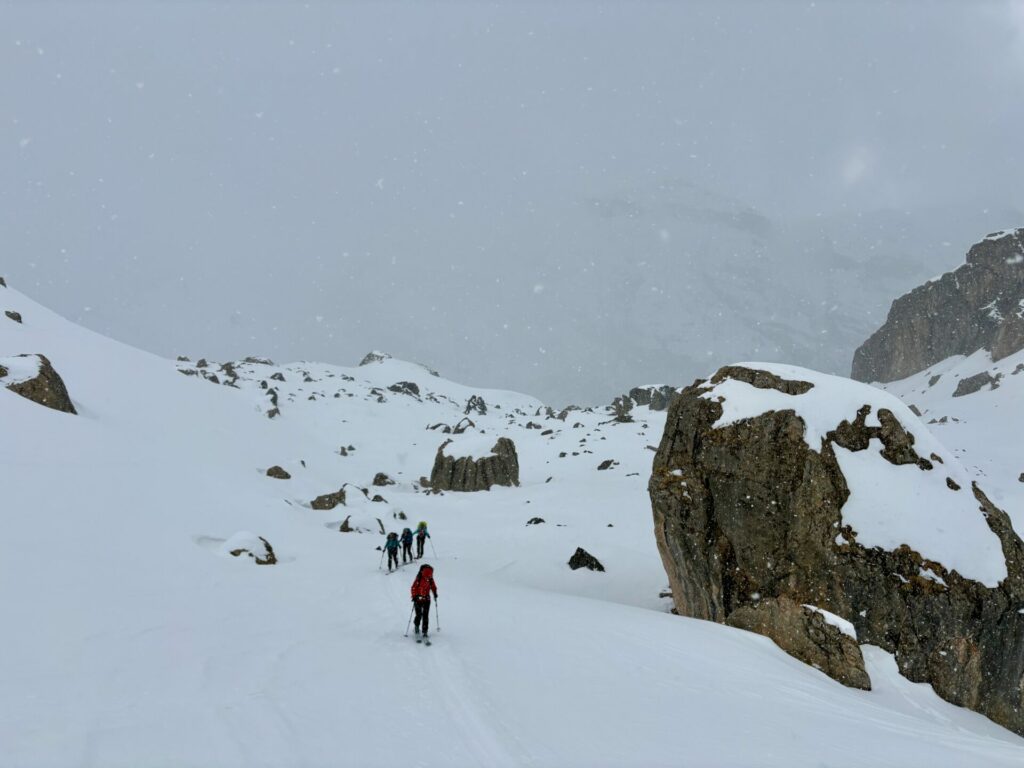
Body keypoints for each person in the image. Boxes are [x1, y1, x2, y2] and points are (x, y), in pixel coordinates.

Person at [410, 563, 438, 638]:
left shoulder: (430, 579)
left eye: (429, 576)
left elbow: (433, 586)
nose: (428, 578)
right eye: (427, 576)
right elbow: (413, 587)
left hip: (427, 599)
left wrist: (435, 593)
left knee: (425, 616)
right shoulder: (419, 578)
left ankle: (425, 631)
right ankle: (416, 627)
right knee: (419, 615)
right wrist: (414, 596)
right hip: (418, 599)